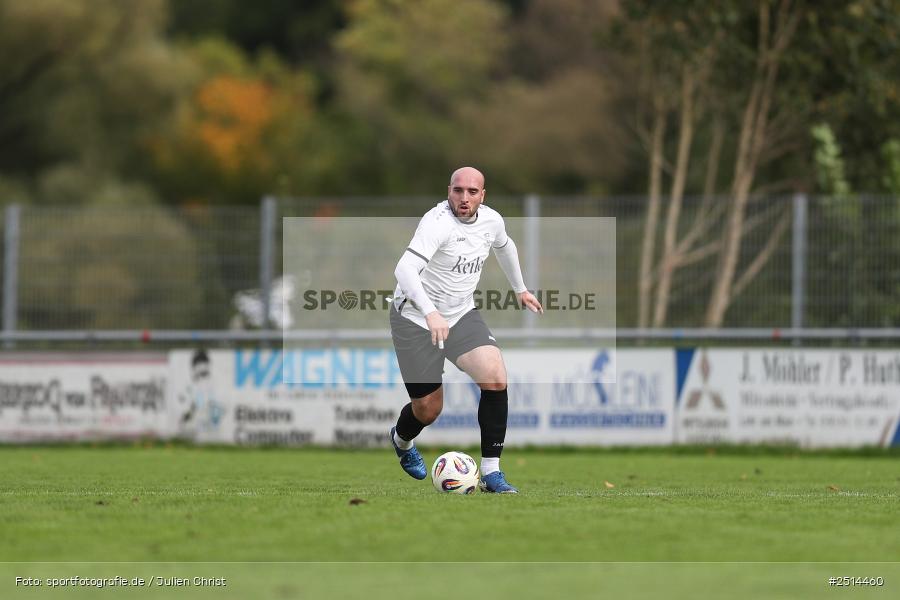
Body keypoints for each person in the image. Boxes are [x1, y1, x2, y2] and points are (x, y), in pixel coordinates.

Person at [388, 166, 543, 493]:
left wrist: (520, 288)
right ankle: (401, 441)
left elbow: (505, 246)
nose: (464, 197)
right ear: (449, 191)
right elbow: (404, 269)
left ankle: (491, 472)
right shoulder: (437, 223)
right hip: (415, 320)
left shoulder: (491, 220)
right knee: (428, 410)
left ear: (482, 196)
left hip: (460, 315)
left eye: (472, 192)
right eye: (458, 190)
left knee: (495, 376)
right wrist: (430, 312)